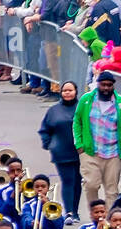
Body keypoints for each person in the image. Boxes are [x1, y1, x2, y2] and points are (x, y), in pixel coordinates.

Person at [74, 72, 121, 210]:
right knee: (91, 184)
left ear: (113, 86)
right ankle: (96, 215)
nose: (106, 88)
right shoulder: (86, 100)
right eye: (103, 84)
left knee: (112, 190)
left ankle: (111, 222)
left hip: (113, 153)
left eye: (109, 85)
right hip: (90, 151)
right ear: (98, 84)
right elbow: (77, 121)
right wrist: (79, 145)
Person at [39, 81, 83, 221]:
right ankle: (69, 212)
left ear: (76, 91)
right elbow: (45, 129)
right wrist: (48, 144)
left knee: (77, 181)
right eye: (64, 90)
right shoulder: (53, 110)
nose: (67, 93)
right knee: (68, 180)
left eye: (70, 90)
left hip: (80, 151)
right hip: (61, 151)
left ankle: (75, 211)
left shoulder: (81, 108)